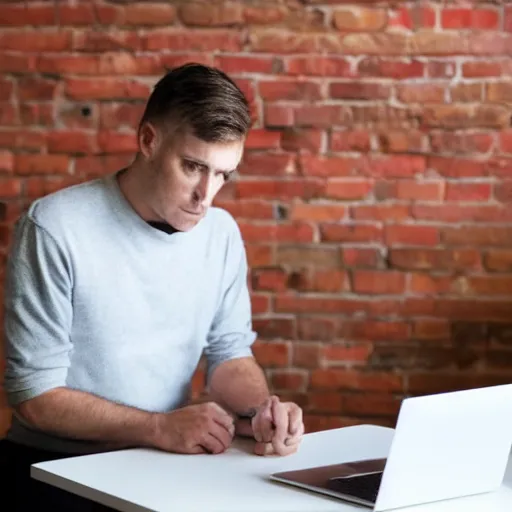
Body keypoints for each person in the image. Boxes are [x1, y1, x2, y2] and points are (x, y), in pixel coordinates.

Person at [0, 63, 304, 511]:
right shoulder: (54, 227)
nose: (207, 195)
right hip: (51, 468)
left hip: (159, 465)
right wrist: (160, 427)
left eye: (223, 174)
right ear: (148, 141)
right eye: (193, 167)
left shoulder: (220, 233)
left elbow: (229, 353)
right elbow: (34, 396)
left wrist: (262, 412)